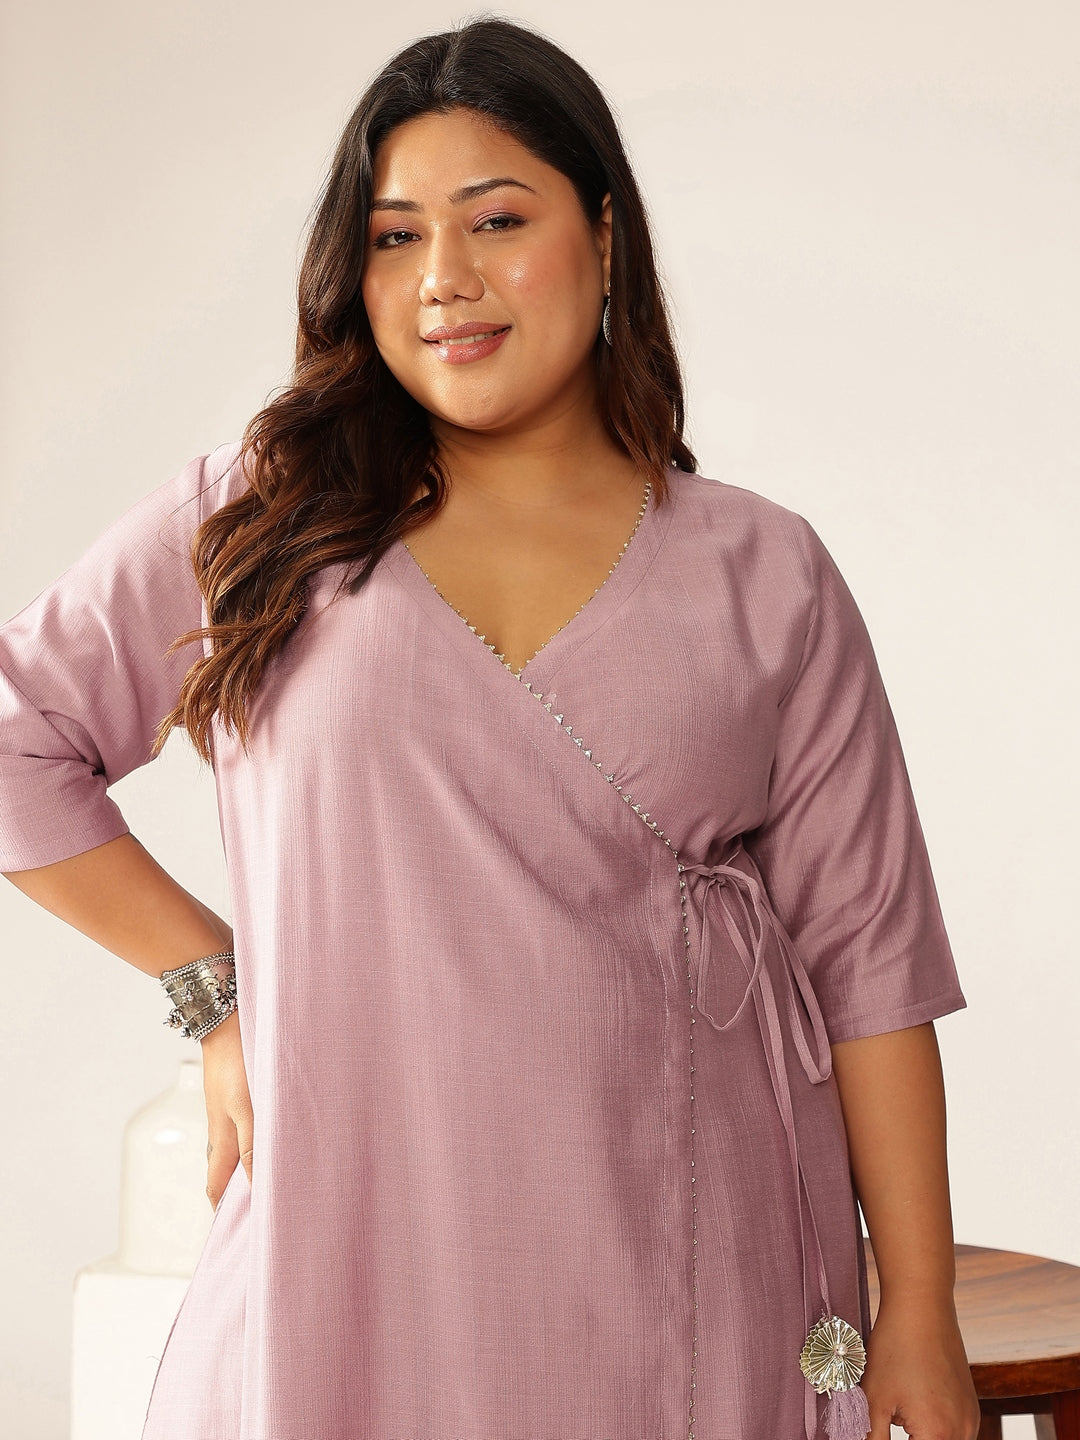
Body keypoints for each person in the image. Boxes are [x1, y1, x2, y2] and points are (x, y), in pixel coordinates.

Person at [0, 16, 981, 1440]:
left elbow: (872, 973)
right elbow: (16, 735)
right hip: (354, 1261)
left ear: (604, 232)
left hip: (690, 1265)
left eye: (497, 220)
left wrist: (922, 1310)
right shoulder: (263, 517)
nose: (444, 279)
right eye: (394, 239)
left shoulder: (766, 571)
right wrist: (214, 987)